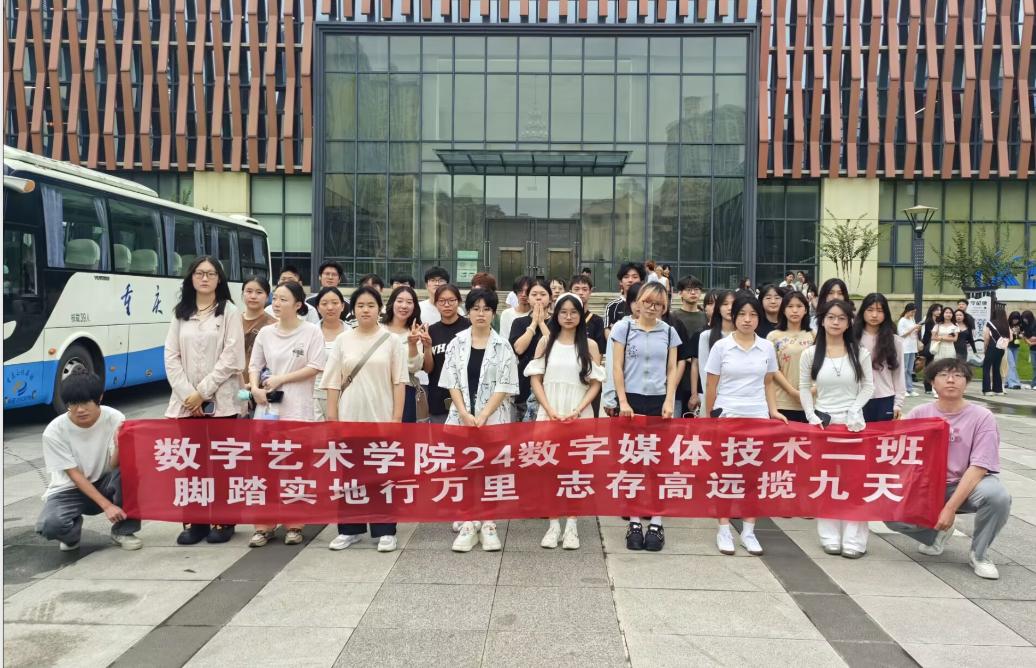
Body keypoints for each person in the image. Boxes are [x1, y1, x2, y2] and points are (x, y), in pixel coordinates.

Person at [886, 358, 1012, 579]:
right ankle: (935, 535)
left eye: (958, 375)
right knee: (887, 505)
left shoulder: (982, 417)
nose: (951, 380)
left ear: (967, 382)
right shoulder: (919, 413)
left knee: (997, 496)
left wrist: (950, 509)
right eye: (943, 375)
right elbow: (902, 455)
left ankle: (980, 554)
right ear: (932, 382)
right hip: (927, 485)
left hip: (966, 484)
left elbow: (979, 467)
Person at [164, 255, 245, 545]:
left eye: (211, 273)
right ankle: (195, 521)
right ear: (191, 278)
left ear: (219, 279)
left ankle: (224, 520)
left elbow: (232, 357)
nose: (205, 278)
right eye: (199, 273)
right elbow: (171, 356)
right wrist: (189, 395)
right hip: (187, 404)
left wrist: (204, 392)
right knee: (192, 464)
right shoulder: (181, 313)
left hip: (221, 402)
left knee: (223, 464)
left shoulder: (229, 312)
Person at [323, 286, 408, 552]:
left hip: (382, 417)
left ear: (379, 308)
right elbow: (332, 383)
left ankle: (385, 530)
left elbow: (399, 382)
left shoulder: (391, 341)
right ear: (353, 309)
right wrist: (333, 419)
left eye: (371, 305)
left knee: (383, 475)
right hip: (350, 417)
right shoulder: (343, 340)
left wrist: (396, 419)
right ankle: (350, 530)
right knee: (350, 475)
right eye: (360, 305)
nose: (365, 310)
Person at [704, 294, 786, 557]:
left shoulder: (766, 347)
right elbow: (711, 385)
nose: (747, 320)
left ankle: (749, 531)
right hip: (728, 414)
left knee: (753, 476)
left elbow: (768, 382)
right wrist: (709, 417)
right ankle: (723, 529)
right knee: (725, 474)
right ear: (733, 316)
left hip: (757, 416)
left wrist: (773, 411)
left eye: (752, 315)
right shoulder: (721, 347)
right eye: (742, 314)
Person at [440, 288, 519, 552]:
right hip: (462, 417)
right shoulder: (457, 343)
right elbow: (451, 380)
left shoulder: (503, 346)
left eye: (486, 309)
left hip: (492, 418)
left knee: (490, 472)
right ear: (468, 312)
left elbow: (506, 384)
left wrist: (484, 414)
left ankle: (488, 523)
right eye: (475, 308)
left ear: (493, 313)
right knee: (464, 470)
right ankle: (467, 522)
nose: (481, 314)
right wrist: (464, 412)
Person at [248, 281, 325, 547]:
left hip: (298, 410)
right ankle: (263, 525)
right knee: (265, 468)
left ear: (298, 304)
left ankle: (295, 524)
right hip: (268, 410)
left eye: (283, 299)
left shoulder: (311, 332)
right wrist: (256, 389)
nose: (277, 304)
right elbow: (254, 365)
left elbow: (315, 366)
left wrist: (282, 378)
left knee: (296, 468)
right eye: (276, 298)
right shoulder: (265, 333)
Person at [526, 293, 605, 550]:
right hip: (549, 412)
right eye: (563, 312)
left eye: (574, 312)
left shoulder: (590, 345)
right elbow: (536, 379)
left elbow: (595, 383)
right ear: (556, 314)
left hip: (578, 414)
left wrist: (578, 410)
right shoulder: (546, 342)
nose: (569, 317)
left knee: (576, 471)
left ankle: (572, 525)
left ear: (581, 315)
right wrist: (549, 409)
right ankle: (553, 525)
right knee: (549, 471)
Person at [35, 371, 142, 551]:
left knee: (129, 472)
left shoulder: (115, 418)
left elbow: (114, 465)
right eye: (73, 404)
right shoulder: (54, 431)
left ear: (99, 397)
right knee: (49, 525)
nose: (80, 410)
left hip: (105, 482)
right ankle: (71, 535)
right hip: (69, 490)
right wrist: (107, 506)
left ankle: (124, 531)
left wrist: (119, 446)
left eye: (85, 402)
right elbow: (74, 475)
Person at [800, 300, 874, 558]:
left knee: (855, 482)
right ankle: (829, 535)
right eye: (831, 317)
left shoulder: (859, 353)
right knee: (826, 480)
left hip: (853, 426)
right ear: (822, 320)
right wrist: (811, 415)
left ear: (849, 322)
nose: (835, 322)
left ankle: (855, 539)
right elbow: (803, 387)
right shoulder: (811, 354)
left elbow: (868, 386)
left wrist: (855, 409)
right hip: (824, 425)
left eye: (842, 318)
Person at [612, 281, 682, 552]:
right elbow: (617, 366)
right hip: (631, 400)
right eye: (648, 302)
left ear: (664, 307)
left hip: (658, 401)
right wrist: (622, 400)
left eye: (658, 304)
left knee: (657, 464)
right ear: (637, 303)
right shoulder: (624, 329)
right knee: (632, 462)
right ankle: (633, 522)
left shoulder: (669, 332)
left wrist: (669, 400)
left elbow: (672, 368)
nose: (652, 308)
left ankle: (656, 521)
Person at [423, 284, 470, 424]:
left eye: (451, 300)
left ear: (459, 301)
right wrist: (427, 347)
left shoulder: (469, 327)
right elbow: (428, 369)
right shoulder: (431, 331)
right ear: (436, 304)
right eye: (442, 301)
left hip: (467, 397)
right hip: (438, 398)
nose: (447, 305)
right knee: (440, 437)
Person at [508, 278, 553, 420]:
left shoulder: (558, 322)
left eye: (543, 294)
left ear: (550, 298)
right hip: (524, 383)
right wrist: (534, 323)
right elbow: (518, 349)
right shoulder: (519, 322)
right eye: (534, 294)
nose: (538, 298)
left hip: (550, 383)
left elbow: (554, 348)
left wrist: (542, 323)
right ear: (527, 298)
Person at [855, 293, 905, 422]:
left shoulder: (895, 341)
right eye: (870, 310)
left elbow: (899, 374)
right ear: (863, 311)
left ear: (886, 313)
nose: (874, 315)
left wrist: (898, 403)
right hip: (856, 397)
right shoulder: (852, 339)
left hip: (885, 398)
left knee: (883, 434)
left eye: (879, 311)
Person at [767, 290, 815, 423]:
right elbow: (773, 369)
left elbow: (822, 366)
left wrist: (812, 390)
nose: (794, 310)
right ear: (783, 310)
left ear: (806, 310)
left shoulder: (814, 335)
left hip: (811, 401)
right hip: (782, 402)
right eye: (790, 306)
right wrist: (793, 392)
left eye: (799, 306)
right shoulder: (773, 336)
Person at [382, 285, 426, 423]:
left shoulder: (416, 332)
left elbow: (414, 368)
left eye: (409, 302)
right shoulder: (378, 329)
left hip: (406, 391)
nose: (404, 306)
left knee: (403, 434)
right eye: (400, 301)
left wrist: (412, 344)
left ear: (414, 306)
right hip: (378, 389)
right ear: (392, 303)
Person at [671, 276, 707, 416]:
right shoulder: (673, 317)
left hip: (700, 378)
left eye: (696, 289)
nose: (693, 293)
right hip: (678, 378)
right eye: (688, 290)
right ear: (680, 293)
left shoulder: (706, 318)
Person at [312, 287, 347, 421]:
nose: (330, 307)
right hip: (313, 395)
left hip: (343, 395)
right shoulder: (309, 333)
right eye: (324, 303)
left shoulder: (352, 333)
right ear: (318, 307)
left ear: (342, 306)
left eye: (335, 303)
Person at [241, 276, 278, 390]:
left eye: (259, 292)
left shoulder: (273, 325)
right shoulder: (232, 321)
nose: (253, 296)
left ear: (267, 297)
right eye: (249, 291)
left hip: (260, 388)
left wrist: (255, 384)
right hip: (232, 385)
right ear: (242, 294)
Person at [697, 290, 736, 397]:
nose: (730, 308)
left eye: (733, 304)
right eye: (725, 304)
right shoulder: (706, 336)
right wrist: (711, 397)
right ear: (718, 308)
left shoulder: (745, 337)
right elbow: (704, 372)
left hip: (740, 398)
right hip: (714, 398)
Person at [604, 262, 646, 336]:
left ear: (641, 281)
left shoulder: (648, 304)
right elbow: (607, 330)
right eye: (626, 277)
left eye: (635, 277)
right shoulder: (612, 306)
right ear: (620, 282)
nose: (630, 280)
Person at [570, 274, 607, 354]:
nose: (580, 293)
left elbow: (600, 351)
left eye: (584, 289)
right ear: (570, 292)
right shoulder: (565, 318)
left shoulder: (597, 321)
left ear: (590, 292)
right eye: (576, 289)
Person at [982, 304, 1009, 396]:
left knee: (986, 367)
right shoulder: (1006, 324)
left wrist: (985, 348)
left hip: (992, 347)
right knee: (996, 368)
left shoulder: (990, 323)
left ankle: (987, 389)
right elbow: (1009, 337)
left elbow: (986, 337)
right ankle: (998, 390)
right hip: (1001, 348)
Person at [897, 303, 922, 397]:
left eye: (914, 312)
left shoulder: (912, 319)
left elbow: (913, 332)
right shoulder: (902, 321)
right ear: (907, 311)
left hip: (912, 347)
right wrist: (913, 328)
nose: (913, 314)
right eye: (912, 312)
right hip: (905, 347)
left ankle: (910, 389)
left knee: (910, 369)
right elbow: (901, 334)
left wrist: (917, 329)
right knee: (904, 369)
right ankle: (902, 389)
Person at [919, 303, 943, 395]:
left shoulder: (939, 321)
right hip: (930, 345)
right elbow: (927, 335)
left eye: (940, 310)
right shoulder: (929, 321)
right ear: (932, 311)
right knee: (929, 366)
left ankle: (934, 386)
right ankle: (928, 387)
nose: (939, 312)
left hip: (937, 345)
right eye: (937, 310)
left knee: (936, 366)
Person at [1006, 311, 1024, 389]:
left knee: (1013, 365)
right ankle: (1013, 383)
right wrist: (1012, 332)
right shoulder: (1007, 325)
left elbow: (1021, 335)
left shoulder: (1020, 326)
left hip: (1016, 347)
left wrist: (1020, 334)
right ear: (1011, 319)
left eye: (1017, 319)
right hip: (1008, 346)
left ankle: (1007, 381)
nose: (1015, 321)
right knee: (1012, 365)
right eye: (1014, 319)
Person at [1024, 310, 1036, 390]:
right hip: (1032, 349)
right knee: (1034, 367)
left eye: (1025, 318)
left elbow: (1032, 338)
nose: (1024, 320)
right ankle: (1033, 384)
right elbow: (1028, 338)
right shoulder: (1027, 325)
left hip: (1033, 347)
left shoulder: (1034, 324)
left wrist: (1029, 340)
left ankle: (1033, 384)